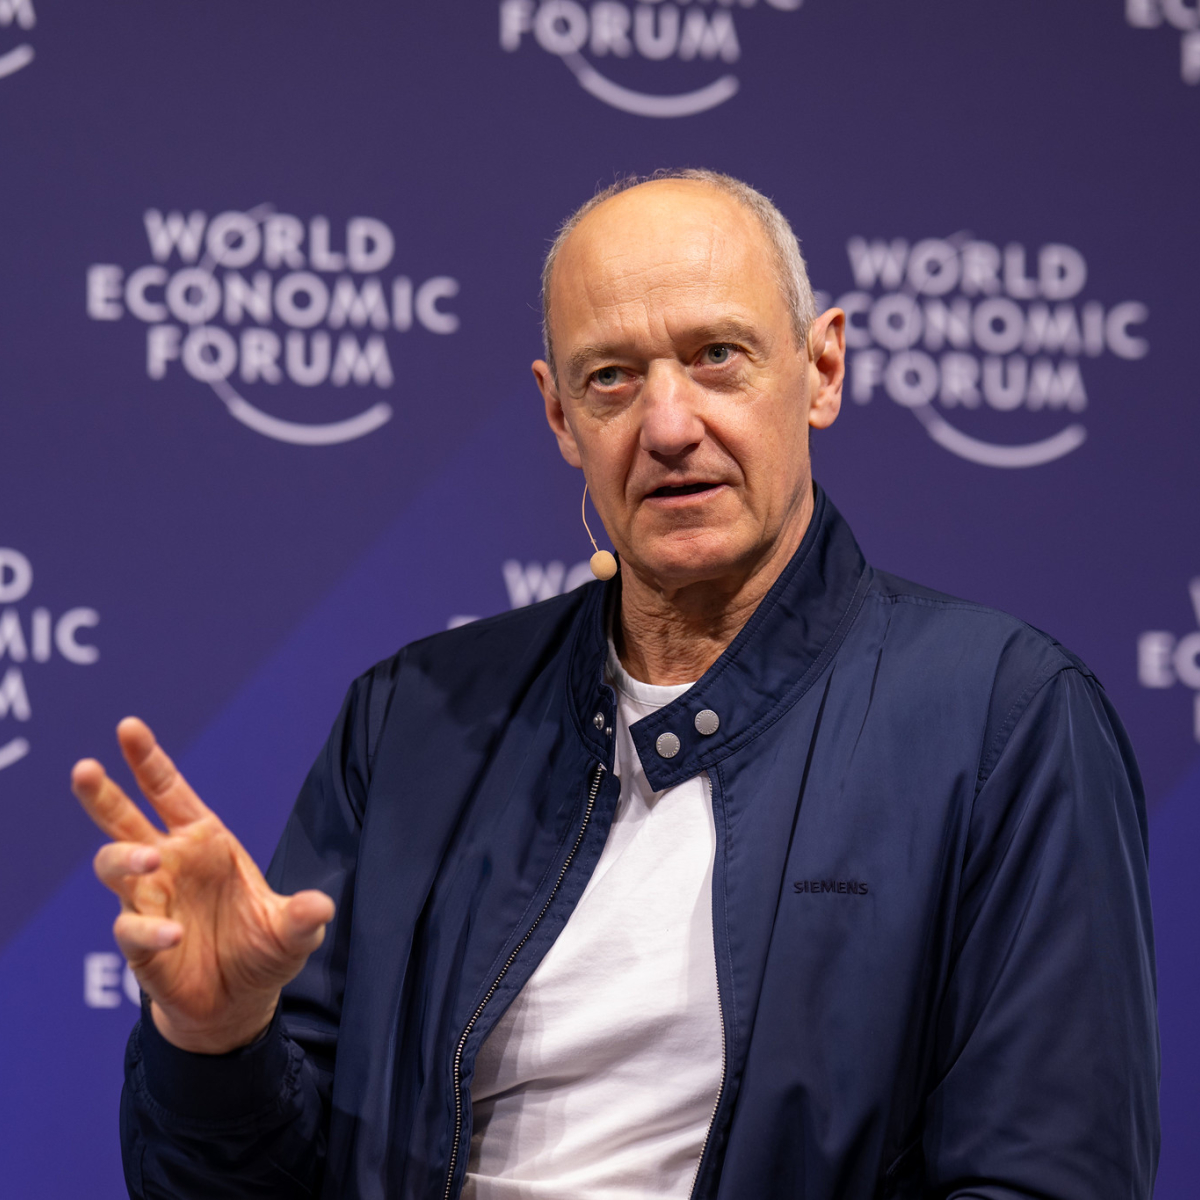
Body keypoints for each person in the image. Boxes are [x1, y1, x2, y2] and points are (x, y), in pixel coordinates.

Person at [73, 169, 1159, 1200]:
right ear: (560, 417)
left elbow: (1045, 1173)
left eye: (718, 356)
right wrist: (216, 1040)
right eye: (612, 378)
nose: (670, 426)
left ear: (822, 368)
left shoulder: (1003, 717)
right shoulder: (409, 721)